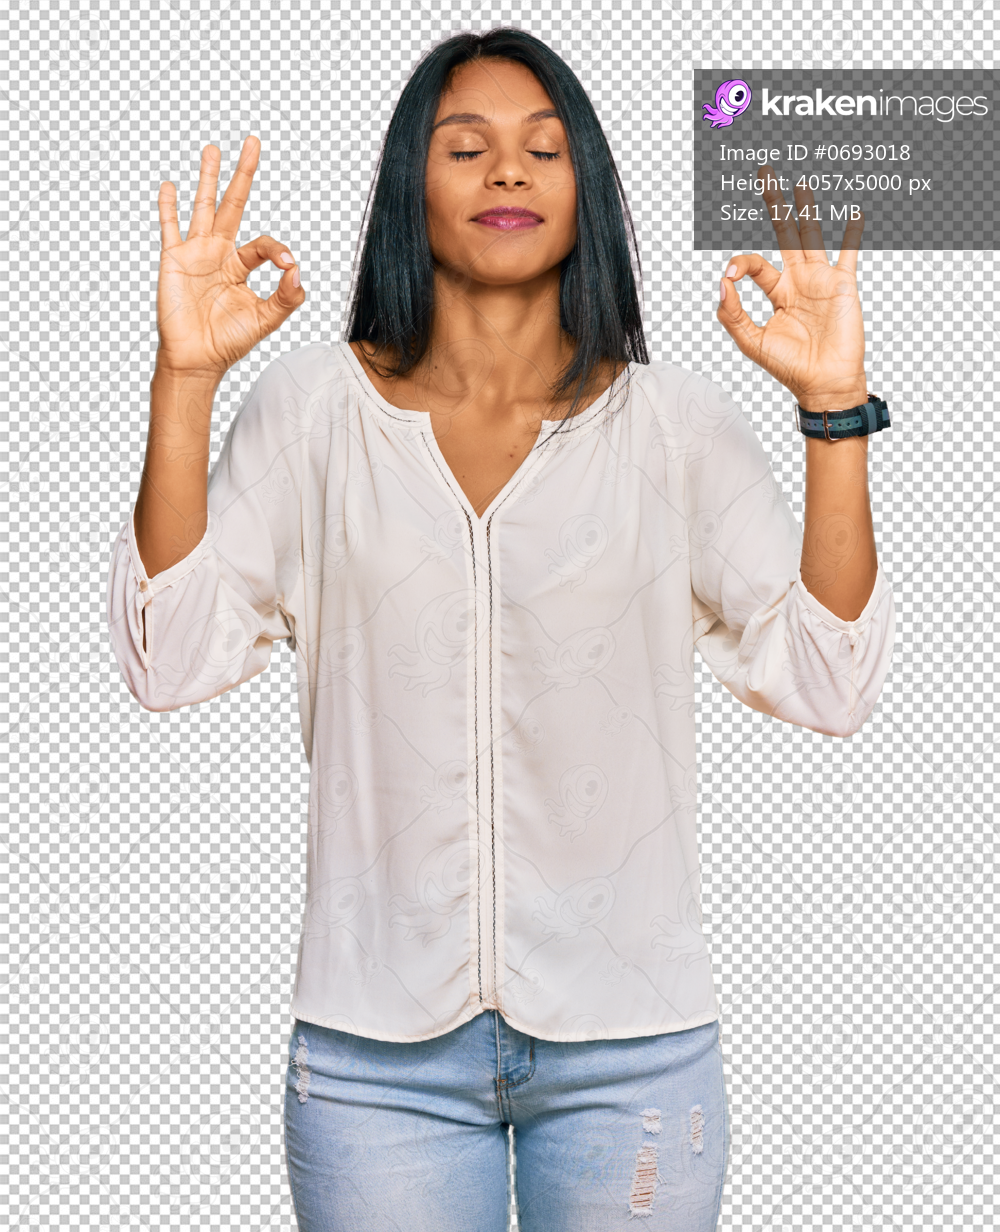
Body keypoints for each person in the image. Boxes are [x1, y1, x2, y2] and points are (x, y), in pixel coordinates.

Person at [106, 28, 895, 1232]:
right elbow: (167, 657)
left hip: (633, 1048)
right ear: (409, 188)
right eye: (464, 146)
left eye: (543, 147)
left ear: (587, 186)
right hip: (374, 1058)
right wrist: (184, 380)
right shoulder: (314, 413)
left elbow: (830, 680)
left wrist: (833, 410)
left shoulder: (673, 428)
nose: (508, 171)